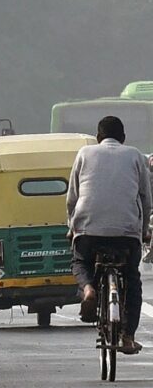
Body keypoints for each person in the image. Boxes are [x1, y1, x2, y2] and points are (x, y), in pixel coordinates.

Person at [67, 115, 152, 354]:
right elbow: (146, 200)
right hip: (127, 233)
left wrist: (71, 226)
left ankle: (88, 289)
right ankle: (127, 337)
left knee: (80, 261)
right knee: (132, 280)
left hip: (88, 229)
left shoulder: (84, 154)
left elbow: (72, 198)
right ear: (123, 139)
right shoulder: (136, 156)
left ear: (98, 137)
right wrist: (143, 231)